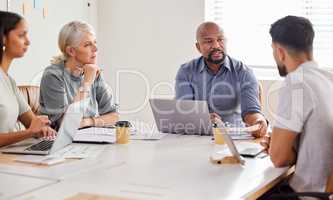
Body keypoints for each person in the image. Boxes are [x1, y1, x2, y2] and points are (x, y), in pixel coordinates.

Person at [261, 15, 333, 194]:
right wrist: (285, 146)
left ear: (279, 51)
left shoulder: (296, 83)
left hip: (310, 193)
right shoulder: (328, 79)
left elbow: (278, 159)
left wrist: (277, 147)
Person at [175, 22, 267, 137]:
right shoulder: (186, 71)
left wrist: (258, 121)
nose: (216, 45)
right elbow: (184, 111)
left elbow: (251, 111)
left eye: (220, 40)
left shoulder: (244, 72)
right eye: (209, 41)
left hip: (234, 138)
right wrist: (204, 119)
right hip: (197, 137)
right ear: (198, 47)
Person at [39, 21, 118, 130]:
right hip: (59, 143)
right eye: (88, 45)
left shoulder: (92, 71)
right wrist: (87, 82)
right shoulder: (53, 75)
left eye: (95, 42)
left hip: (87, 139)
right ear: (71, 51)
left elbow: (114, 116)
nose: (95, 49)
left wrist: (88, 121)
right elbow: (67, 125)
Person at [0, 11, 55, 147]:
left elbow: (32, 122)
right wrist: (29, 132)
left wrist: (44, 129)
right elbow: (31, 129)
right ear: (3, 38)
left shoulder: (9, 81)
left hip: (9, 157)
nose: (28, 41)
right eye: (21, 35)